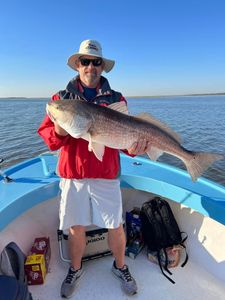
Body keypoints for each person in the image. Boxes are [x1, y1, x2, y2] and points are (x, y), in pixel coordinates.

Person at [37, 39, 150, 298]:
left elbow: (125, 145)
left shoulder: (116, 99)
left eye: (96, 62)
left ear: (102, 66)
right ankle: (75, 269)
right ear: (78, 65)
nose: (91, 67)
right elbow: (50, 137)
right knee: (75, 227)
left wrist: (136, 147)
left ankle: (120, 266)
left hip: (106, 175)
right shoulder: (61, 100)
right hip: (73, 175)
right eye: (85, 61)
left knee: (116, 226)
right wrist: (57, 128)